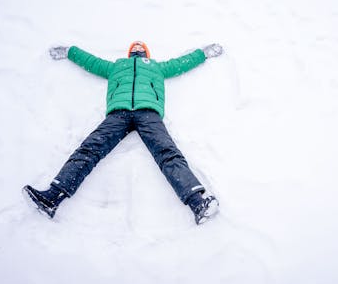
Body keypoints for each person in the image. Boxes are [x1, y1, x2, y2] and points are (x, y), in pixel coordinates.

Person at [23, 41, 224, 225]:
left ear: (146, 52)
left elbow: (181, 63)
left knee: (167, 152)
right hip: (118, 114)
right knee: (89, 149)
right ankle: (52, 197)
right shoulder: (116, 67)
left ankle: (198, 204)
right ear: (129, 53)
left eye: (141, 48)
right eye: (134, 48)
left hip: (148, 114)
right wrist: (69, 52)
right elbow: (91, 61)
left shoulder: (156, 67)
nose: (137, 49)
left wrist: (203, 54)